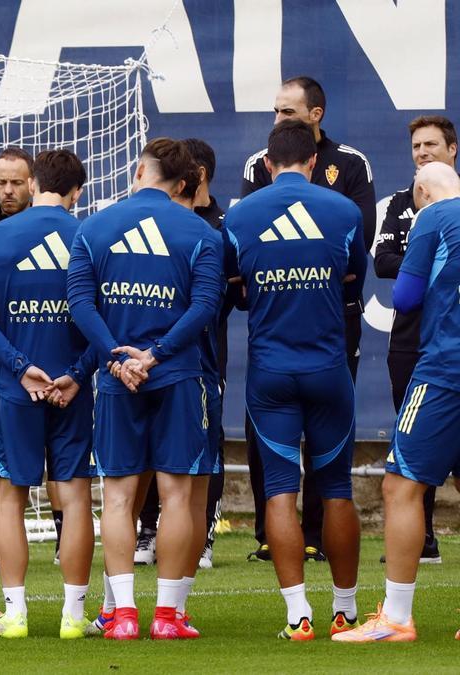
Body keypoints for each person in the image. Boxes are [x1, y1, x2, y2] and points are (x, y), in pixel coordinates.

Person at [68, 138, 221, 640]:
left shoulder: (93, 228)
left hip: (116, 379)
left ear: (139, 171)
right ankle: (168, 616)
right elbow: (204, 309)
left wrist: (117, 354)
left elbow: (81, 305)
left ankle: (124, 615)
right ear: (184, 184)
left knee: (117, 497)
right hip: (177, 376)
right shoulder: (200, 232)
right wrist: (154, 355)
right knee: (177, 495)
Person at [226, 119, 366, 641]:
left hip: (271, 373)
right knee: (336, 490)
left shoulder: (241, 216)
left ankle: (297, 616)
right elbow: (353, 275)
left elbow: (232, 282)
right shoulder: (343, 210)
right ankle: (346, 612)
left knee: (281, 491)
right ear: (313, 162)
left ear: (267, 165)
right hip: (329, 368)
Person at [240, 76, 375, 564]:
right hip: (298, 337)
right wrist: (313, 275)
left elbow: (357, 261)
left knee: (322, 471)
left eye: (288, 112)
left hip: (329, 331)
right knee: (288, 462)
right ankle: (275, 545)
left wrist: (283, 276)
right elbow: (347, 268)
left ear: (316, 115)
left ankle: (310, 551)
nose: (278, 120)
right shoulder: (258, 164)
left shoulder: (352, 165)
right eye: (275, 111)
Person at [0, 149, 97, 639]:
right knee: (77, 497)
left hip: (14, 389)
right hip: (72, 389)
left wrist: (21, 368)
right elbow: (99, 321)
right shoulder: (89, 236)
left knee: (9, 498)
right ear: (77, 191)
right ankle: (74, 616)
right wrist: (78, 374)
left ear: (34, 181)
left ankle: (16, 614)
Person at [335, 162, 460, 643]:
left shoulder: (433, 216)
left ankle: (397, 618)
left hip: (446, 368)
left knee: (401, 484)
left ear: (423, 192)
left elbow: (405, 296)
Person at [135, 138, 231, 571]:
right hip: (143, 361)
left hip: (200, 360)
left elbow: (218, 300)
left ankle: (204, 534)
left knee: (199, 458)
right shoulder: (145, 222)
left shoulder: (216, 227)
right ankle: (148, 532)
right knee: (141, 462)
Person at [372, 115, 457, 566]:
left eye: (430, 145)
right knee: (414, 459)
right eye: (416, 146)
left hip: (442, 356)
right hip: (411, 345)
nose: (421, 152)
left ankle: (397, 613)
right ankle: (421, 540)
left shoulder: (432, 213)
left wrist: (426, 260)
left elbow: (403, 287)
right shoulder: (401, 203)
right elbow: (381, 260)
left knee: (404, 473)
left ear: (452, 150)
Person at [0, 148, 34, 225]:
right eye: (1, 183)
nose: (8, 191)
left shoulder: (49, 230)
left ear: (32, 184)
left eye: (17, 183)